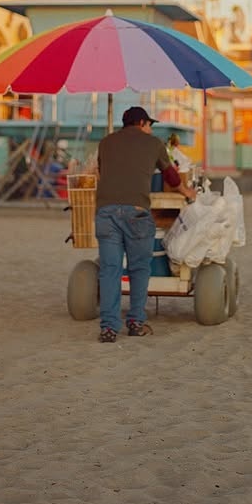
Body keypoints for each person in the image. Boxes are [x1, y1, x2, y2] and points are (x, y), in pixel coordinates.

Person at [94, 106, 196, 342]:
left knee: (110, 270)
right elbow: (170, 176)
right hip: (136, 213)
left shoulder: (106, 143)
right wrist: (185, 190)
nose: (150, 129)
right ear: (141, 123)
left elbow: (102, 172)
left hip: (106, 212)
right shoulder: (154, 144)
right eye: (149, 124)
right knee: (140, 268)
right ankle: (136, 323)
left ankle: (108, 328)